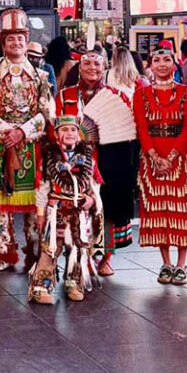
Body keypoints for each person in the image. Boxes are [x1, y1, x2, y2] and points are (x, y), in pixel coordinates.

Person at [0, 8, 53, 271]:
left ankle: (34, 251)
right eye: (10, 39)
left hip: (31, 146)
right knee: (0, 202)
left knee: (35, 202)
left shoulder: (41, 77)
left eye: (20, 39)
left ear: (27, 40)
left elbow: (47, 112)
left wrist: (23, 132)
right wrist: (8, 131)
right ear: (2, 43)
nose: (16, 44)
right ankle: (2, 251)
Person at [58, 44, 138, 276]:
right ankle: (83, 254)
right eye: (87, 63)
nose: (92, 67)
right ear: (79, 68)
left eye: (97, 63)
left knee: (109, 209)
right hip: (76, 160)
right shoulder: (66, 95)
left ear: (105, 67)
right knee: (78, 207)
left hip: (111, 159)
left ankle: (107, 256)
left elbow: (129, 128)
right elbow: (57, 128)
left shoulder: (117, 94)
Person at [134, 42, 187, 285]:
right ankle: (165, 262)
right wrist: (154, 157)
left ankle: (182, 264)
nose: (161, 65)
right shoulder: (141, 93)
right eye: (156, 61)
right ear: (149, 66)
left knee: (183, 209)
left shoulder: (186, 91)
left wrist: (171, 157)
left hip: (181, 158)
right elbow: (141, 127)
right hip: (152, 157)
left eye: (166, 60)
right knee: (158, 210)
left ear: (174, 64)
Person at [29, 115, 102, 304]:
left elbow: (95, 185)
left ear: (78, 134)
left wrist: (91, 200)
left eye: (72, 130)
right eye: (64, 130)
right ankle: (41, 286)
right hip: (56, 213)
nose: (69, 133)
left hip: (79, 212)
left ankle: (73, 282)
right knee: (50, 249)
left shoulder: (88, 158)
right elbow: (42, 188)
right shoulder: (48, 159)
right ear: (56, 133)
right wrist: (40, 214)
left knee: (77, 248)